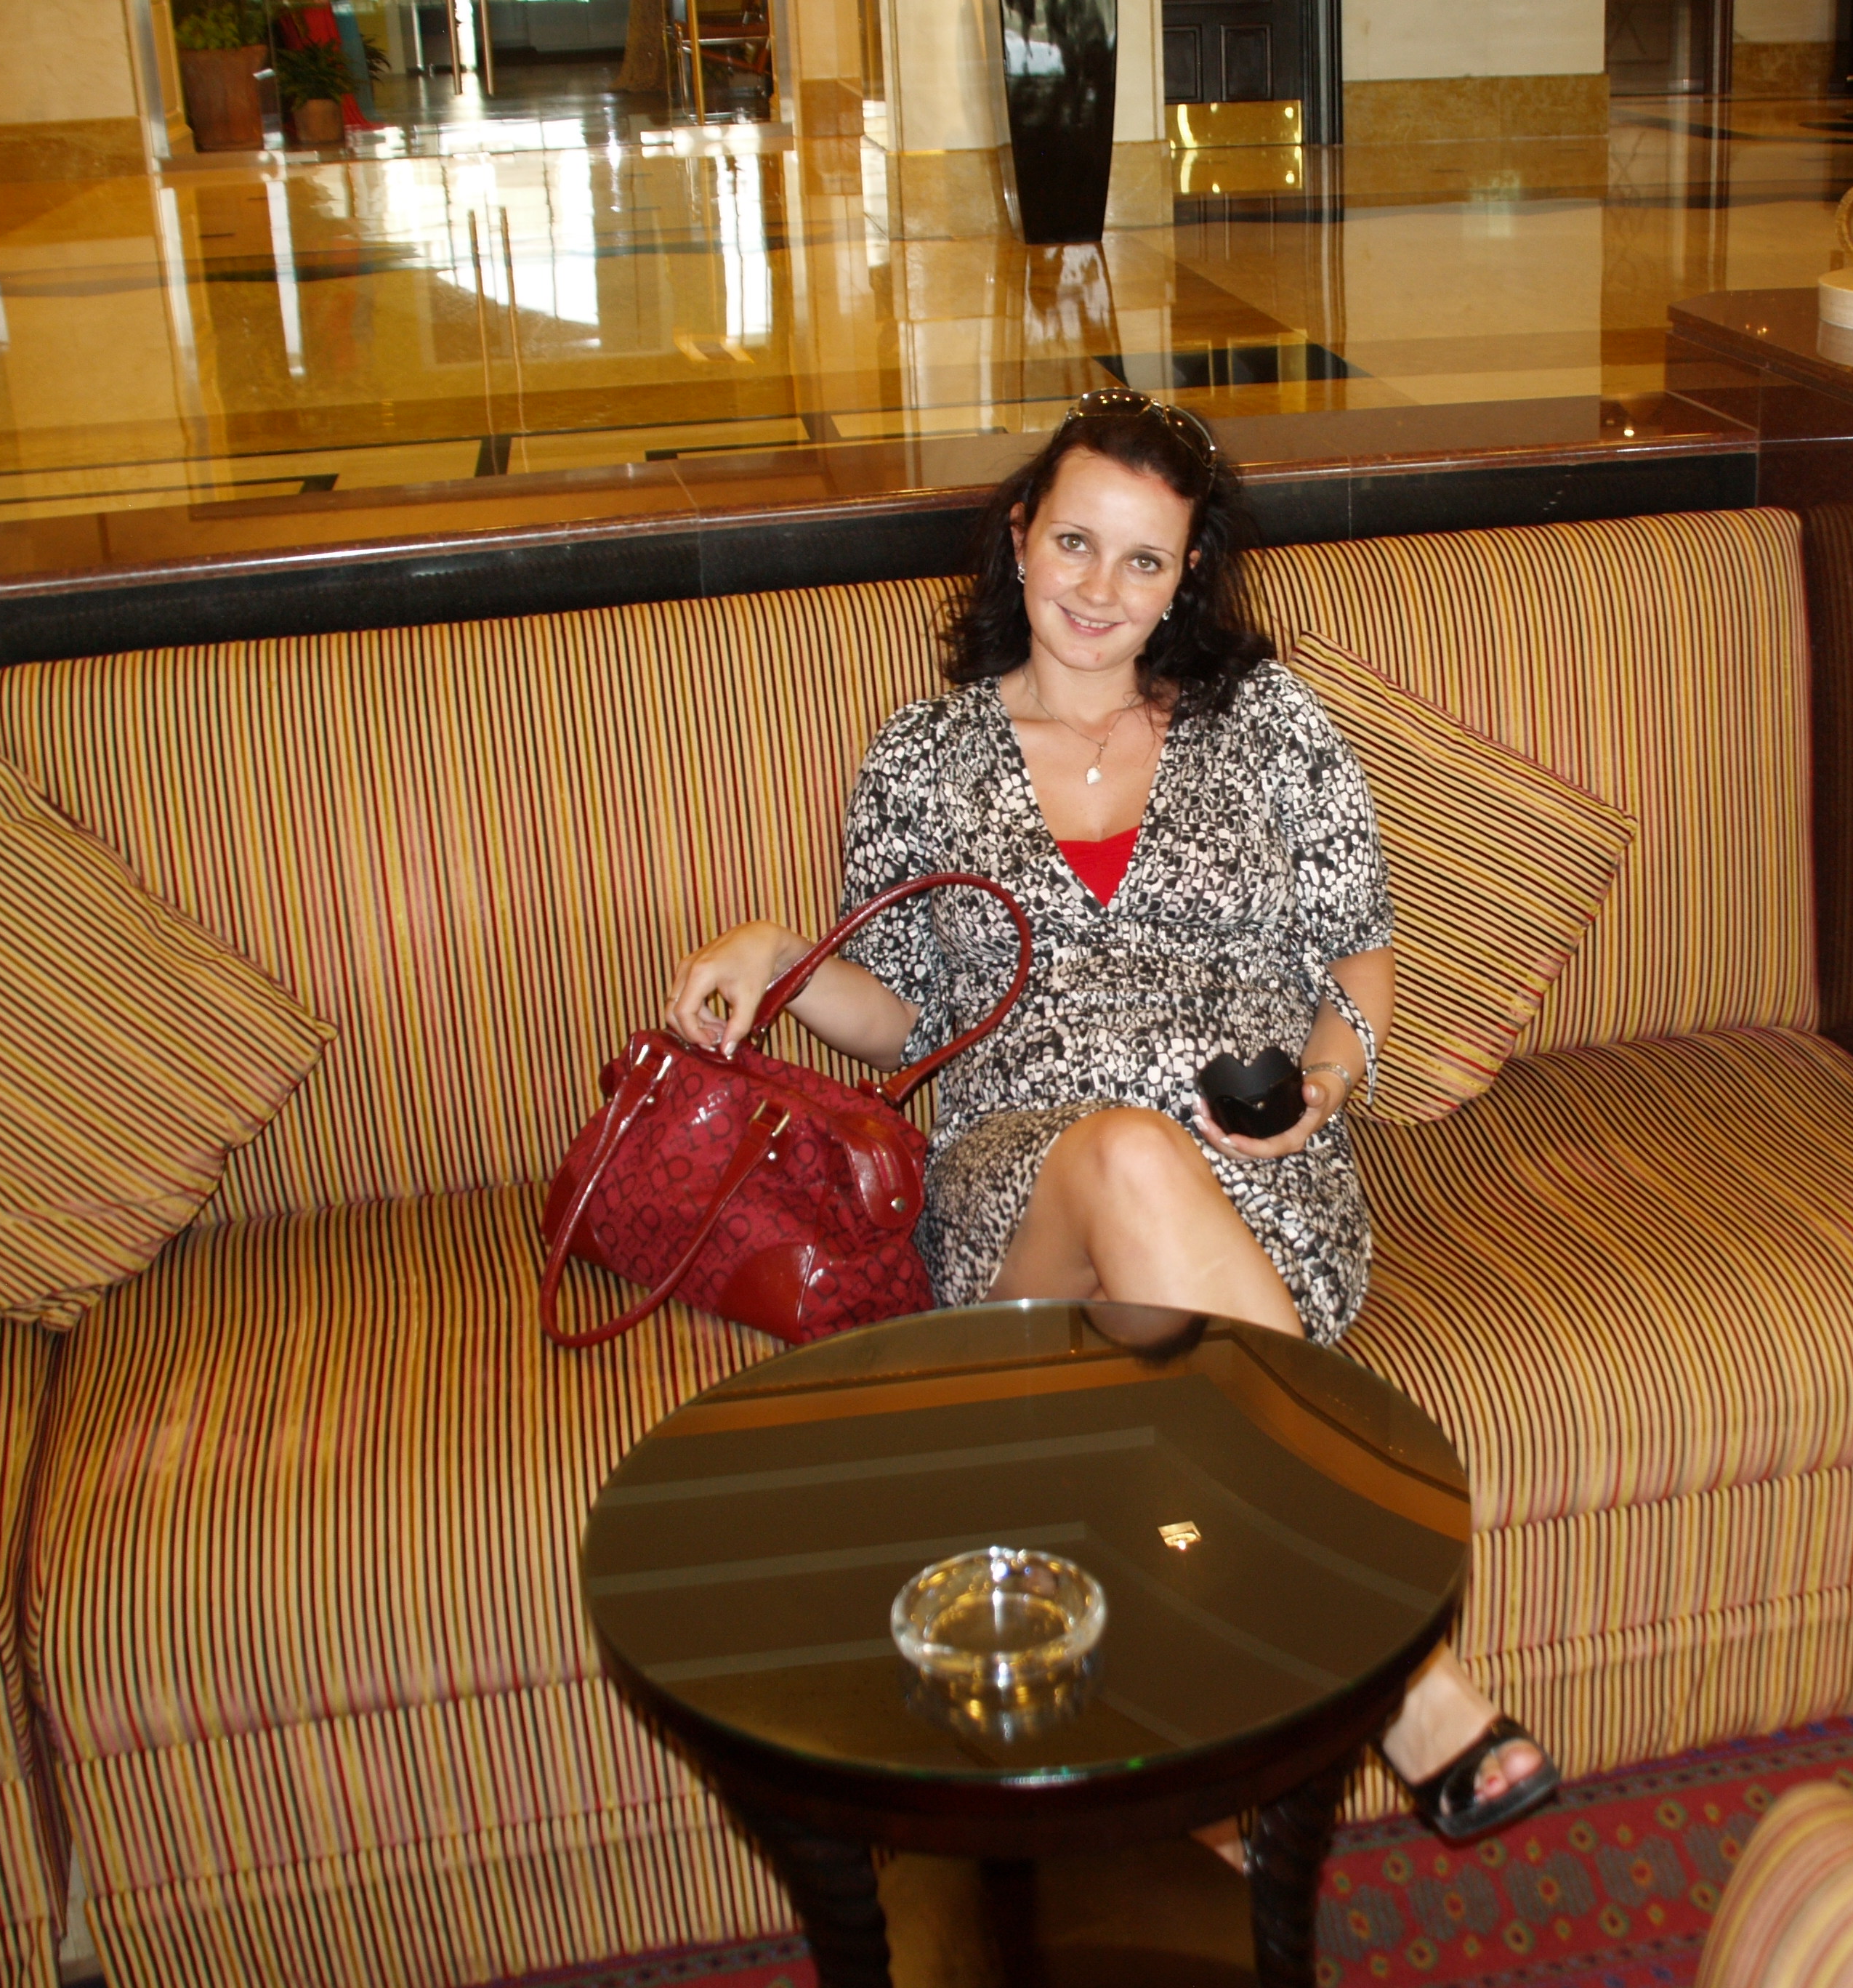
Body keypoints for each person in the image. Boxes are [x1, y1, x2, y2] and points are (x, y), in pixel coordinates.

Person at [663, 388, 1559, 1843]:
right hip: (1021, 1197)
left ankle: (1169, 1811)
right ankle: (1400, 1669)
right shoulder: (922, 755)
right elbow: (907, 1016)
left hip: (1253, 1181)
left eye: (1144, 560)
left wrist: (1327, 1086)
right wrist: (779, 957)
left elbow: (1359, 955)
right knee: (1120, 1153)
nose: (1100, 589)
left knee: (1155, 1317)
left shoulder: (1266, 725)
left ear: (1185, 576)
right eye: (1076, 543)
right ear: (1021, 537)